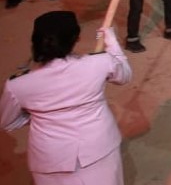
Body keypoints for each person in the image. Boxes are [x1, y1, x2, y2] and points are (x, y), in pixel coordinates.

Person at [0, 11, 132, 184]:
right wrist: (111, 41)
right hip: (99, 148)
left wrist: (38, 115)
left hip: (51, 158)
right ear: (76, 39)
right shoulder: (99, 63)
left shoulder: (18, 85)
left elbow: (7, 121)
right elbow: (124, 76)